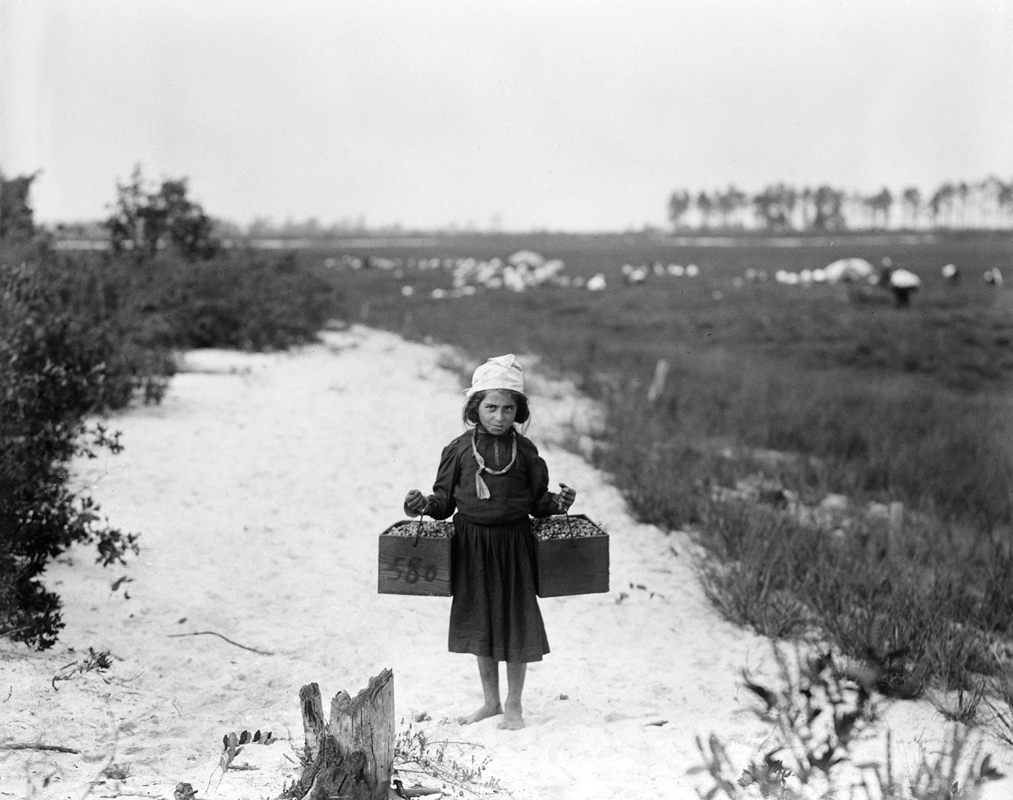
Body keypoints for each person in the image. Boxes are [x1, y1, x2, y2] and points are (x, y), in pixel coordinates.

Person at [404, 354, 576, 730]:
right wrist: (420, 505)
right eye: (491, 408)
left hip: (514, 546)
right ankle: (491, 702)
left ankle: (514, 704)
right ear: (475, 409)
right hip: (473, 547)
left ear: (519, 411)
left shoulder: (526, 452)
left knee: (517, 623)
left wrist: (560, 503)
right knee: (481, 622)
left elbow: (539, 504)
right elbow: (442, 505)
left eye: (508, 409)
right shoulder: (458, 450)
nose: (499, 417)